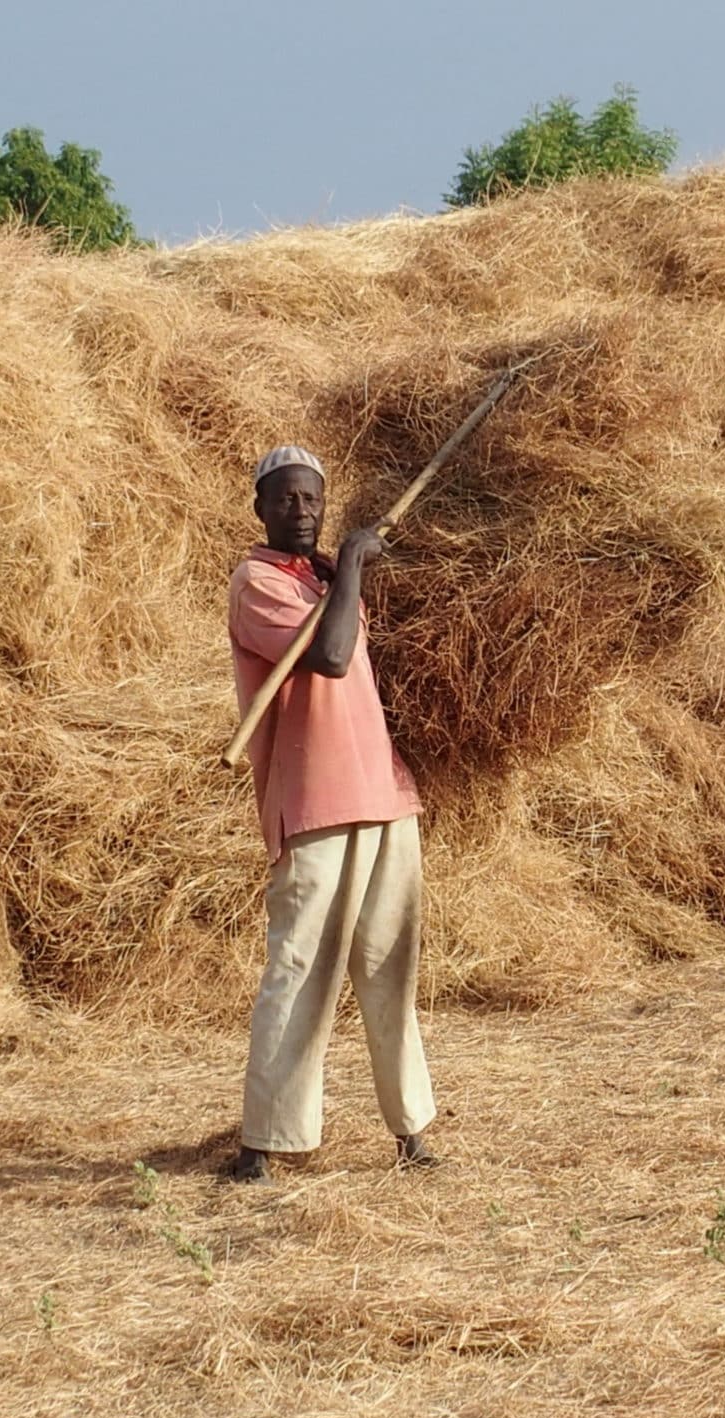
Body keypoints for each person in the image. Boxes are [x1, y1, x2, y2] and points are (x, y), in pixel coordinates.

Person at [225, 444, 438, 1184]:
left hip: (382, 794)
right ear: (259, 508)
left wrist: (341, 570)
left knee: (391, 967)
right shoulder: (259, 583)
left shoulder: (319, 578)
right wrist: (350, 561)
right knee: (300, 967)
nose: (302, 511)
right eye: (285, 499)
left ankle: (412, 1130)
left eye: (313, 498)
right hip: (314, 801)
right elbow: (334, 657)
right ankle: (265, 1140)